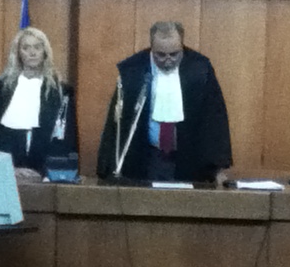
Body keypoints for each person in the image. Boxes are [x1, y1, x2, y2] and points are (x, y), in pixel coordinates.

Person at [97, 21, 232, 184]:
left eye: (174, 54)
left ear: (182, 46)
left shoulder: (200, 69)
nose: (168, 60)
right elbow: (117, 124)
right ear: (151, 48)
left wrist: (216, 167)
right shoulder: (133, 70)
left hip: (189, 158)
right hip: (146, 158)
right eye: (160, 55)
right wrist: (107, 166)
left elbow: (214, 118)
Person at [0, 27, 78, 182]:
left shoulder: (61, 90)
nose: (32, 53)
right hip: (8, 171)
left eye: (37, 47)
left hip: (46, 173)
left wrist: (48, 172)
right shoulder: (1, 88)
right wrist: (9, 168)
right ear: (18, 53)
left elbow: (66, 137)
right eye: (26, 48)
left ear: (45, 52)